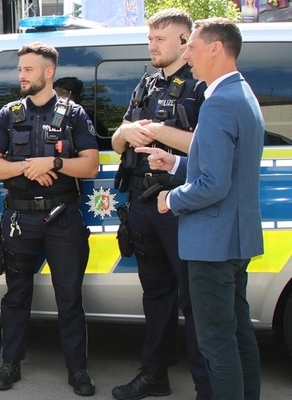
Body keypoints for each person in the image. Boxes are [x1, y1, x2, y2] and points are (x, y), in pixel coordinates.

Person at [136, 18, 264, 400]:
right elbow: (219, 166)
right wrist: (173, 164)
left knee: (217, 343)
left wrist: (169, 199)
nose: (187, 55)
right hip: (233, 240)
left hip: (212, 243)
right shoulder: (240, 93)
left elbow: (214, 185)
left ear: (216, 48)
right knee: (239, 335)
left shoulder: (220, 101)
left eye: (192, 47)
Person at [0, 42, 99, 396]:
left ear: (48, 73)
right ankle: (10, 363)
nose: (21, 75)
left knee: (70, 299)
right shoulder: (9, 114)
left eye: (28, 70)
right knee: (16, 296)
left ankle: (77, 370)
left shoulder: (73, 114)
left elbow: (91, 165)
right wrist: (28, 167)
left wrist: (55, 163)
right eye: (20, 70)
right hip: (19, 220)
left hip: (62, 218)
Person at [109, 9, 212, 400]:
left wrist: (157, 131)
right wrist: (125, 132)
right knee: (156, 295)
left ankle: (209, 386)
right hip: (142, 203)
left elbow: (207, 146)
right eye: (150, 39)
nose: (152, 46)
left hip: (180, 204)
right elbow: (118, 142)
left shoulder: (202, 86)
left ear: (185, 41)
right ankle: (155, 375)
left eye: (160, 40)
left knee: (193, 299)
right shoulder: (146, 84)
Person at [54, 77, 110, 150]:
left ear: (72, 97)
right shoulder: (49, 117)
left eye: (61, 95)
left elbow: (102, 146)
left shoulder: (89, 120)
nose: (58, 100)